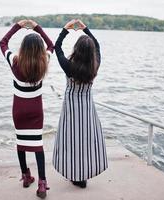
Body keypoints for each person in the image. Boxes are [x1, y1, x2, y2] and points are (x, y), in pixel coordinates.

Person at [0, 19, 53, 198]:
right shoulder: (44, 61)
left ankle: (26, 176)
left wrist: (18, 26)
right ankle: (42, 183)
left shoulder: (15, 62)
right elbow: (51, 45)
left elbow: (3, 42)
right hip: (36, 110)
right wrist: (37, 26)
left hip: (19, 110)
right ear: (39, 50)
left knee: (21, 142)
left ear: (23, 48)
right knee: (37, 144)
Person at [52, 19, 108, 188]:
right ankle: (83, 176)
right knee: (85, 140)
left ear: (76, 50)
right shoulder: (94, 66)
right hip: (87, 109)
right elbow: (97, 46)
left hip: (71, 108)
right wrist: (85, 29)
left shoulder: (69, 66)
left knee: (71, 140)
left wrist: (65, 29)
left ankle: (75, 174)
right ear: (91, 53)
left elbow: (57, 47)